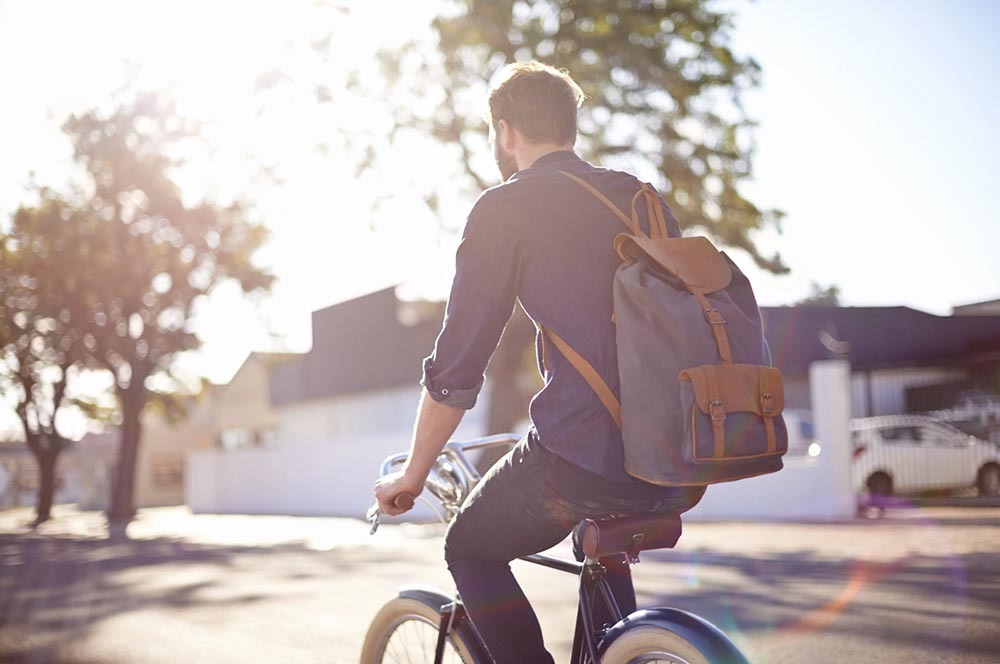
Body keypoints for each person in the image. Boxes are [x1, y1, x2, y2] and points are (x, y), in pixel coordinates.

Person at [374, 61, 705, 664]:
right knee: (600, 561)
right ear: (570, 126)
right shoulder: (639, 195)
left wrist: (412, 475)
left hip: (585, 456)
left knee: (469, 547)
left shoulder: (506, 208)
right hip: (676, 458)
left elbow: (456, 369)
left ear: (505, 131)